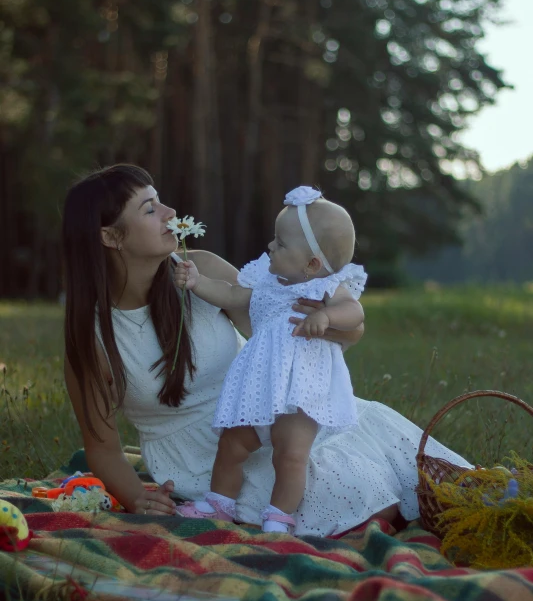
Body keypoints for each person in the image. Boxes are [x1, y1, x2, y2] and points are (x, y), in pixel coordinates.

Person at [63, 164, 471, 537]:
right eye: (150, 209)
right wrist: (136, 496)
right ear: (111, 236)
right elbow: (101, 446)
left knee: (414, 466)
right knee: (364, 500)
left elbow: (301, 329)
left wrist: (335, 322)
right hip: (208, 456)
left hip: (272, 407)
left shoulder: (200, 270)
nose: (170, 211)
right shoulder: (93, 337)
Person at [174, 186, 367, 534]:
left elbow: (353, 312)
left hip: (301, 390)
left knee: (290, 455)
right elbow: (231, 295)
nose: (270, 246)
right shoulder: (265, 279)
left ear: (312, 264)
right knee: (232, 444)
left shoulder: (327, 288)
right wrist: (198, 282)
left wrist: (326, 317)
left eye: (280, 243)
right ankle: (219, 501)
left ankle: (279, 516)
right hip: (260, 382)